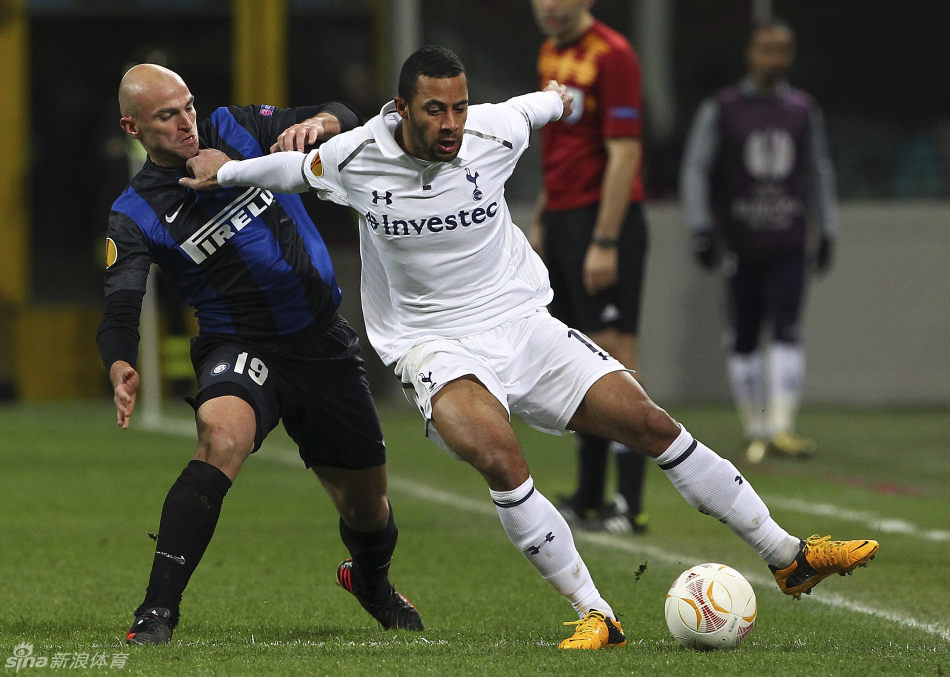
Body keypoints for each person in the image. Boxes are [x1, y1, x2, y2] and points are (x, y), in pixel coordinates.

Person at [181, 45, 878, 651]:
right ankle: (595, 612)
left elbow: (548, 104)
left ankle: (789, 557)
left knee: (651, 425)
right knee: (497, 455)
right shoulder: (356, 156)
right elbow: (290, 172)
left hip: (521, 322)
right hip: (432, 342)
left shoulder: (495, 128)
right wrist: (227, 173)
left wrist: (569, 99)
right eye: (434, 111)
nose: (451, 124)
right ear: (401, 108)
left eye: (457, 108)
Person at [97, 64, 423, 645]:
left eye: (188, 106)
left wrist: (317, 125)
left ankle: (370, 581)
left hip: (322, 343)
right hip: (241, 347)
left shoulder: (238, 128)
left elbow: (343, 116)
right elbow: (121, 301)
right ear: (133, 127)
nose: (187, 123)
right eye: (167, 116)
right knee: (221, 437)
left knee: (369, 510)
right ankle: (156, 614)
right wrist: (121, 361)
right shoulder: (135, 210)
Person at [680, 20, 839, 464]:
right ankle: (756, 427)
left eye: (782, 50)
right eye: (767, 49)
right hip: (741, 242)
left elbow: (817, 170)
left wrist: (827, 229)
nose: (775, 59)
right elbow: (696, 168)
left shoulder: (803, 109)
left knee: (787, 328)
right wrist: (701, 227)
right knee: (743, 336)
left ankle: (782, 427)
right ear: (751, 53)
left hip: (788, 240)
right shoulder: (723, 108)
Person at [528, 0, 650, 535]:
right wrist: (543, 219)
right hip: (565, 220)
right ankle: (588, 496)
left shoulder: (613, 53)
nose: (550, 2)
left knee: (617, 352)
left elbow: (624, 153)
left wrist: (605, 240)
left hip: (607, 222)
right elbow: (556, 149)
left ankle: (628, 501)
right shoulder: (550, 55)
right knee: (580, 353)